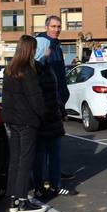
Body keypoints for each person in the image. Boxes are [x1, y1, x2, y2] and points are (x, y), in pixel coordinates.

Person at [1, 35, 48, 212]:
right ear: (31, 49)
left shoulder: (9, 69)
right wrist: (43, 116)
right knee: (25, 161)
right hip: (27, 121)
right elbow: (36, 99)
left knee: (15, 160)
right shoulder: (28, 70)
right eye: (34, 49)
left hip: (12, 120)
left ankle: (13, 199)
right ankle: (22, 201)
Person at [32, 45, 75, 200]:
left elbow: (55, 93)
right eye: (47, 50)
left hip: (53, 118)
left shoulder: (49, 68)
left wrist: (62, 111)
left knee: (55, 155)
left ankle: (56, 186)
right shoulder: (33, 70)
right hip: (41, 120)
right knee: (39, 157)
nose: (50, 53)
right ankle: (39, 187)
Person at [35, 16, 74, 181]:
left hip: (57, 96)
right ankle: (42, 176)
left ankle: (54, 172)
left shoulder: (57, 45)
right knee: (45, 141)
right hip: (48, 97)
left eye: (59, 26)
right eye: (53, 26)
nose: (56, 29)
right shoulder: (42, 43)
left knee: (54, 139)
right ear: (46, 27)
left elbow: (59, 73)